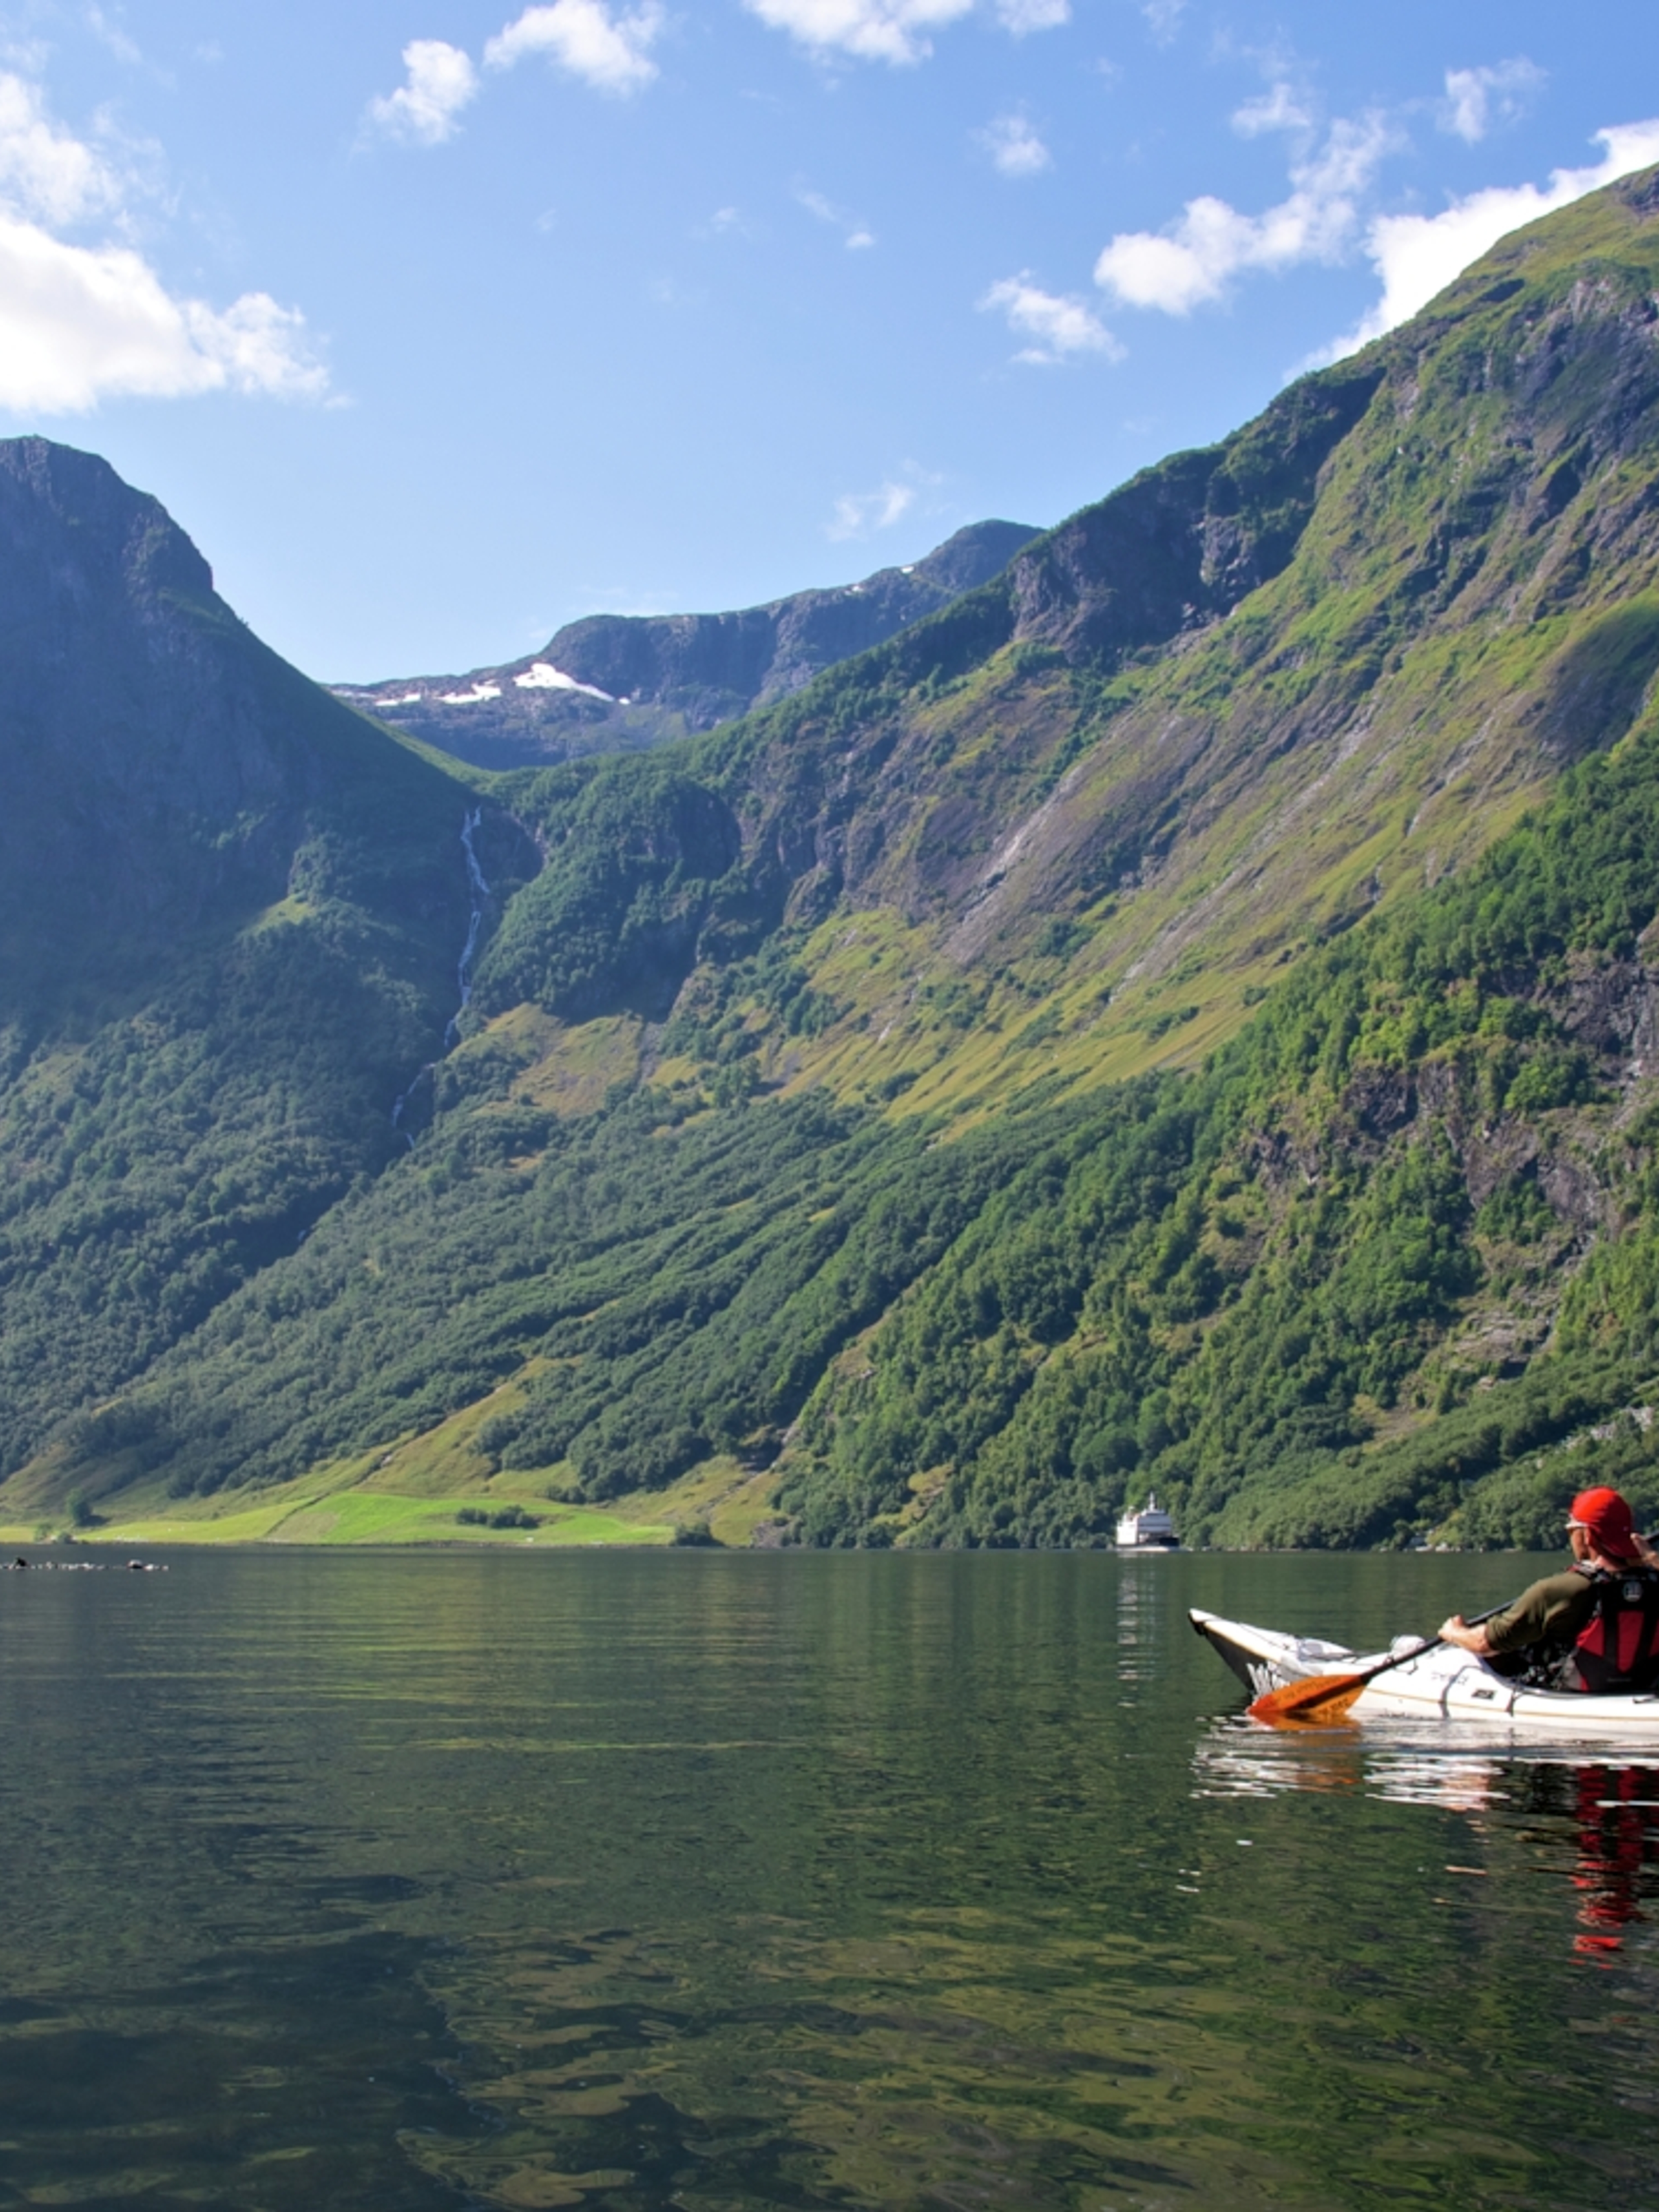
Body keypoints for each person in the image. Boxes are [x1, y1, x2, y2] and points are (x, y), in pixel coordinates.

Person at [1439, 1486, 1659, 1694]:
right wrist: (1651, 1559)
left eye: (1571, 1530)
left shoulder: (1560, 1590)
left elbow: (1484, 1644)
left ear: (1587, 1535)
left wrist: (1455, 1633)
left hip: (1571, 1695)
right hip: (1642, 1689)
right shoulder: (1655, 1580)